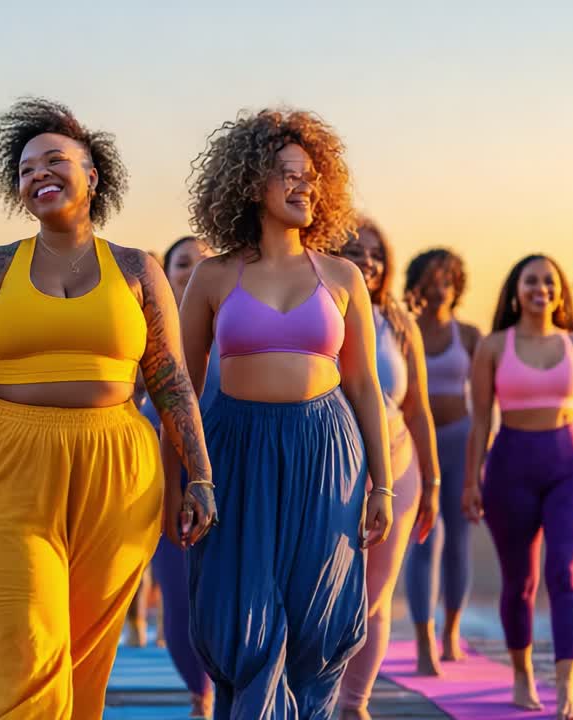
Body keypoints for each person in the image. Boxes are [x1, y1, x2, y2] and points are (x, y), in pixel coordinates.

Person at [0, 97, 215, 719]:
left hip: (118, 470)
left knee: (84, 659)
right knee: (26, 645)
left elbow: (171, 380)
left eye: (54, 161)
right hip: (1, 465)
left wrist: (200, 474)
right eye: (24, 169)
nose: (37, 175)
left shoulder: (137, 270)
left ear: (92, 175)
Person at [177, 108, 393, 719]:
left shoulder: (343, 275)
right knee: (242, 622)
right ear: (250, 183)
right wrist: (187, 479)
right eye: (288, 175)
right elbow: (183, 391)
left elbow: (365, 385)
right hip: (233, 454)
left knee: (317, 624)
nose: (304, 186)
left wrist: (384, 486)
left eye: (311, 176)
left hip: (327, 454)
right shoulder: (214, 276)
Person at [463, 254, 573, 720]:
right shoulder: (492, 347)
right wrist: (471, 480)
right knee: (519, 582)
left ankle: (568, 686)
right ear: (515, 290)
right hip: (509, 469)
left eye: (549, 281)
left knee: (565, 573)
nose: (540, 288)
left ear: (561, 292)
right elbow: (481, 419)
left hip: (571, 469)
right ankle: (522, 674)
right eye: (531, 281)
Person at [338, 220, 440, 719]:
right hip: (331, 463)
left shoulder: (398, 322)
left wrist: (435, 481)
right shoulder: (323, 303)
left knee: (375, 596)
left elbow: (418, 407)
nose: (368, 260)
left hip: (398, 464)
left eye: (377, 253)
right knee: (326, 590)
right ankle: (313, 693)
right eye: (355, 250)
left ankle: (354, 704)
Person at [138, 235, 216, 717]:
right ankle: (198, 692)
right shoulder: (142, 330)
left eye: (204, 263)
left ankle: (225, 685)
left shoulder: (238, 328)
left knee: (225, 589)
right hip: (161, 472)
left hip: (229, 468)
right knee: (178, 592)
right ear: (165, 275)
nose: (192, 271)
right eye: (182, 263)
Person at [401, 248, 482, 673]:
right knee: (424, 539)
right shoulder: (405, 329)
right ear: (416, 285)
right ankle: (422, 640)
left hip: (462, 442)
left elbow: (486, 401)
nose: (439, 287)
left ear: (457, 285)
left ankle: (451, 632)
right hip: (416, 447)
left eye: (447, 279)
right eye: (430, 280)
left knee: (459, 542)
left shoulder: (469, 336)